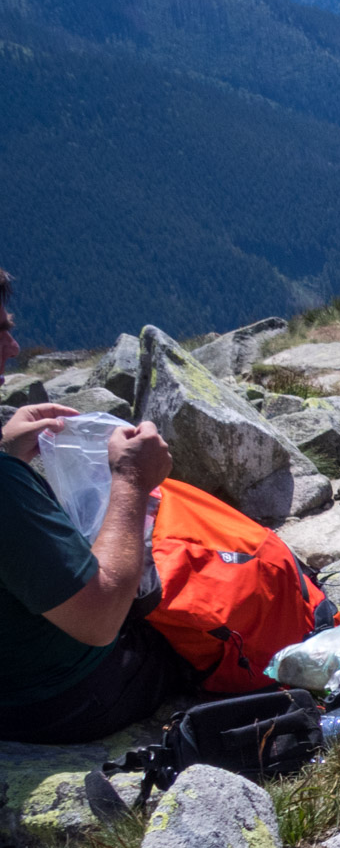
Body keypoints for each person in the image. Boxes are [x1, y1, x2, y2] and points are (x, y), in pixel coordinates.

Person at [0, 268, 193, 744]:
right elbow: (99, 619)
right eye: (0, 332)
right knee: (198, 620)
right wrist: (130, 480)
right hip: (63, 697)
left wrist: (6, 452)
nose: (13, 348)